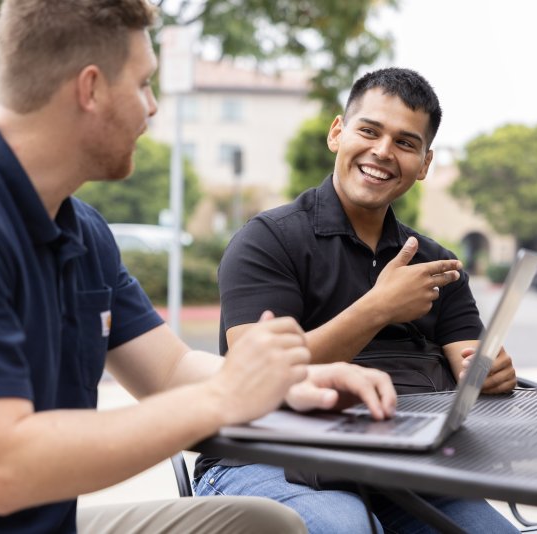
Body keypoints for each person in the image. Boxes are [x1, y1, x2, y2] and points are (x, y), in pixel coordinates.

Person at [0, 2, 399, 532]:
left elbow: (168, 373)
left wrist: (293, 382)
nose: (153, 106)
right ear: (90, 89)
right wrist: (224, 397)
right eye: (142, 84)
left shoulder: (83, 230)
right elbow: (4, 469)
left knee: (264, 523)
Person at [193, 68, 520, 533]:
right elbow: (255, 377)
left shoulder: (435, 263)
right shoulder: (267, 240)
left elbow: (470, 359)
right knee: (348, 527)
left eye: (406, 143)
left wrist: (488, 372)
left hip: (400, 469)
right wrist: (379, 306)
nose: (383, 152)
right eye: (369, 130)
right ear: (337, 133)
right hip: (264, 458)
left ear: (424, 164)